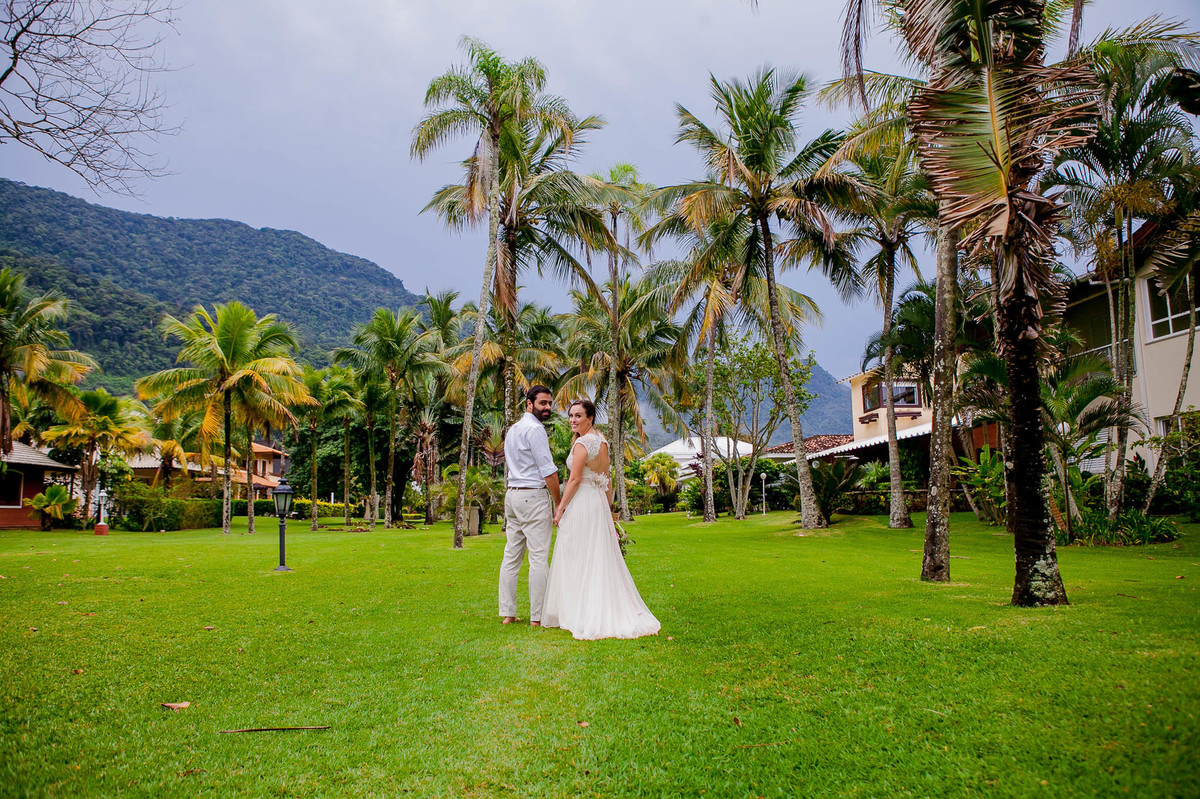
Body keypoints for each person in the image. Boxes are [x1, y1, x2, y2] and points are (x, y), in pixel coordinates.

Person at [542, 399, 660, 640]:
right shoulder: (603, 441)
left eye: (578, 416)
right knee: (594, 553)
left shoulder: (582, 443)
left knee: (576, 553)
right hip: (597, 503)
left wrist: (560, 509)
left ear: (590, 418)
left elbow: (574, 480)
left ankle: (580, 610)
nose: (573, 420)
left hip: (582, 502)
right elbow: (607, 478)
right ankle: (588, 606)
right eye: (571, 415)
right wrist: (607, 508)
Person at [499, 385, 561, 627]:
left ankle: (508, 613)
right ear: (529, 403)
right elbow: (548, 471)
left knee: (511, 556)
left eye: (549, 403)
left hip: (512, 496)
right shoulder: (535, 430)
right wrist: (558, 503)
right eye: (542, 403)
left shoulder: (514, 429)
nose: (547, 407)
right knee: (538, 557)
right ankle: (537, 616)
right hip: (532, 496)